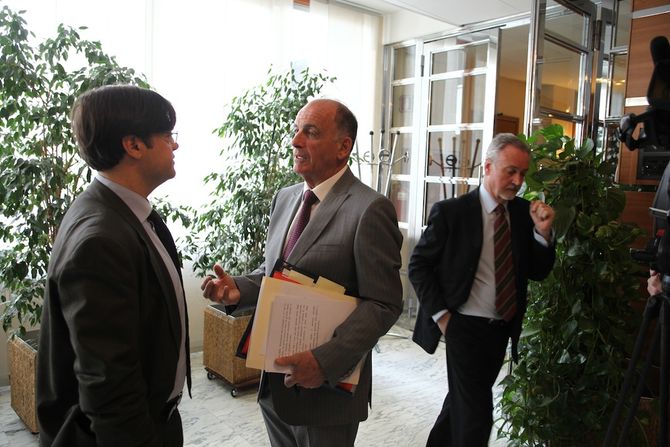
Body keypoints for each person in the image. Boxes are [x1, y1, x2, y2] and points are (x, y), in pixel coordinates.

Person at [201, 98, 403, 447]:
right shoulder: (285, 198)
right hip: (274, 385)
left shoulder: (370, 209)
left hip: (326, 395)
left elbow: (383, 304)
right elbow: (275, 272)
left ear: (343, 147)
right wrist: (239, 289)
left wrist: (324, 363)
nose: (295, 141)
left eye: (310, 132)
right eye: (296, 131)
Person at [36, 84, 190, 447]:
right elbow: (109, 387)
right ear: (133, 145)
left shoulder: (122, 211)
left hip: (158, 417)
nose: (175, 145)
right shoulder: (100, 240)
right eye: (167, 135)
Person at [409, 133, 556, 447]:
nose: (518, 181)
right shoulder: (452, 212)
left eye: (522, 174)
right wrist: (443, 317)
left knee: (461, 405)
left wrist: (543, 234)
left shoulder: (523, 213)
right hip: (462, 325)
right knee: (477, 415)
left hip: (500, 329)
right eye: (511, 171)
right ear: (488, 167)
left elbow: (538, 272)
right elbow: (418, 265)